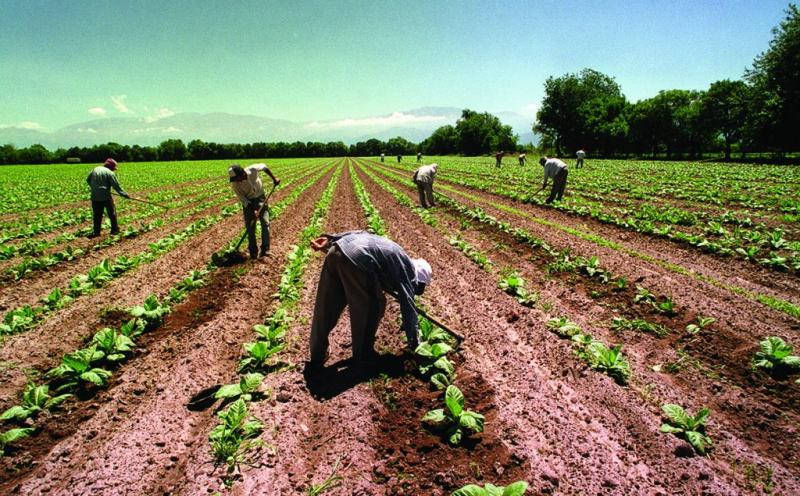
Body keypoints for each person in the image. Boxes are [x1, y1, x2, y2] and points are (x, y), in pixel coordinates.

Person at [306, 231, 432, 373]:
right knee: (373, 306)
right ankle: (364, 356)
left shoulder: (395, 253)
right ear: (418, 278)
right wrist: (415, 344)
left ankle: (318, 354)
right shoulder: (407, 269)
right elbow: (408, 305)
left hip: (336, 251)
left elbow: (361, 234)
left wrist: (330, 241)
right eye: (419, 287)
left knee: (326, 307)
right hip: (358, 260)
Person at [228, 163, 280, 259]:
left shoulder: (252, 170)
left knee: (265, 223)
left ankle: (265, 250)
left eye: (237, 178)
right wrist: (253, 210)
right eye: (234, 180)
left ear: (242, 173)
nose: (237, 181)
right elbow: (243, 200)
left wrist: (274, 178)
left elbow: (264, 167)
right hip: (248, 203)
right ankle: (253, 252)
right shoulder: (235, 185)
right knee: (250, 228)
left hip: (261, 199)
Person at [86, 158, 129, 238]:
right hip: (105, 196)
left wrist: (94, 188)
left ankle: (96, 232)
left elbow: (88, 180)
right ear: (111, 167)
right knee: (112, 213)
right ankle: (115, 230)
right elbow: (116, 186)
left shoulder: (95, 169)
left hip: (94, 196)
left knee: (97, 215)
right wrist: (124, 194)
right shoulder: (110, 173)